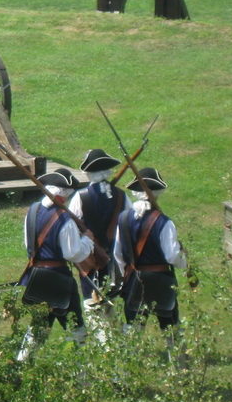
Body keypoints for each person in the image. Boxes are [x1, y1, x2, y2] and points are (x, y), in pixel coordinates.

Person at [16, 167, 95, 360]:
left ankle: (21, 364)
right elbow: (73, 254)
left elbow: (29, 244)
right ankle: (81, 371)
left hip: (37, 277)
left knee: (38, 325)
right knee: (76, 327)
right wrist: (88, 240)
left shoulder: (32, 210)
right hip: (58, 281)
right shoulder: (65, 219)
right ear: (64, 194)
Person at [112, 167, 187, 360]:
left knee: (132, 331)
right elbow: (172, 256)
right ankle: (180, 371)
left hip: (134, 280)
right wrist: (184, 261)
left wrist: (124, 280)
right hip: (161, 281)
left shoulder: (123, 218)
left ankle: (124, 378)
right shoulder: (164, 222)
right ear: (157, 193)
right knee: (171, 328)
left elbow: (118, 254)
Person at [68, 149, 131, 339]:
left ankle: (105, 352)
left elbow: (71, 226)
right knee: (109, 305)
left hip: (89, 260)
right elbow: (129, 225)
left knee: (93, 307)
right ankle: (114, 347)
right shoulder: (121, 196)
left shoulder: (81, 197)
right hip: (115, 259)